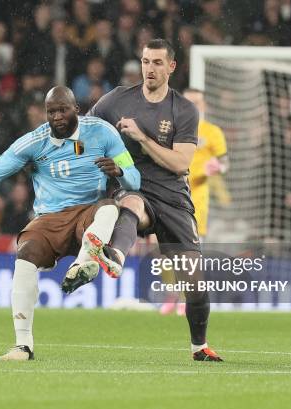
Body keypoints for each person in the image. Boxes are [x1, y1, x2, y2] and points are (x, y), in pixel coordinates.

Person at [0, 86, 140, 361]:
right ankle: (23, 346)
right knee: (24, 257)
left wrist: (120, 172)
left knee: (111, 207)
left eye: (62, 110)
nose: (57, 117)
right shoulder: (34, 142)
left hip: (89, 211)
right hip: (49, 218)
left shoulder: (103, 132)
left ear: (76, 109)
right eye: (51, 112)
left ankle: (83, 261)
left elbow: (135, 180)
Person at [68, 39, 223, 362]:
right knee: (131, 206)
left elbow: (181, 163)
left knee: (194, 280)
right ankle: (114, 256)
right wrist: (80, 157)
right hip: (134, 186)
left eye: (156, 63)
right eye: (145, 61)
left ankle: (199, 347)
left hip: (174, 197)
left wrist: (142, 138)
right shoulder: (117, 100)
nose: (149, 69)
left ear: (171, 67)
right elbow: (84, 131)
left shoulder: (184, 109)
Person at [159, 88, 229, 316]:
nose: (193, 106)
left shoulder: (212, 132)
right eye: (189, 102)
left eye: (197, 102)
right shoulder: (169, 128)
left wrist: (218, 167)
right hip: (169, 195)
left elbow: (224, 162)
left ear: (204, 105)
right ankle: (172, 294)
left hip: (197, 199)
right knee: (164, 250)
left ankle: (187, 298)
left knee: (190, 253)